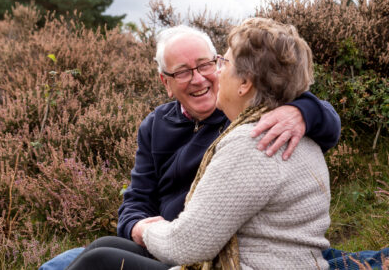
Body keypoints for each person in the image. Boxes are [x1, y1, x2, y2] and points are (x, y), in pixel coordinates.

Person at [40, 24, 341, 270]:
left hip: (204, 248)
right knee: (96, 251)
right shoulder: (156, 125)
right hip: (175, 239)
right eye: (183, 71)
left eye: (212, 64)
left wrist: (304, 110)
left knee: (96, 261)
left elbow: (189, 244)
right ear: (166, 82)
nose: (201, 78)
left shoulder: (264, 129)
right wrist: (137, 228)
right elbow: (136, 200)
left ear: (244, 82)